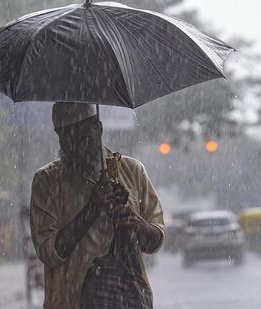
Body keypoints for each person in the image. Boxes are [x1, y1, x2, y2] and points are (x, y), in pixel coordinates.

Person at [30, 102, 165, 309]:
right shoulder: (46, 181)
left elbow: (155, 241)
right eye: (68, 139)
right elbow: (49, 252)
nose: (78, 147)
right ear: (58, 136)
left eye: (85, 136)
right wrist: (93, 208)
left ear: (99, 129)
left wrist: (136, 223)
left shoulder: (132, 171)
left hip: (127, 301)